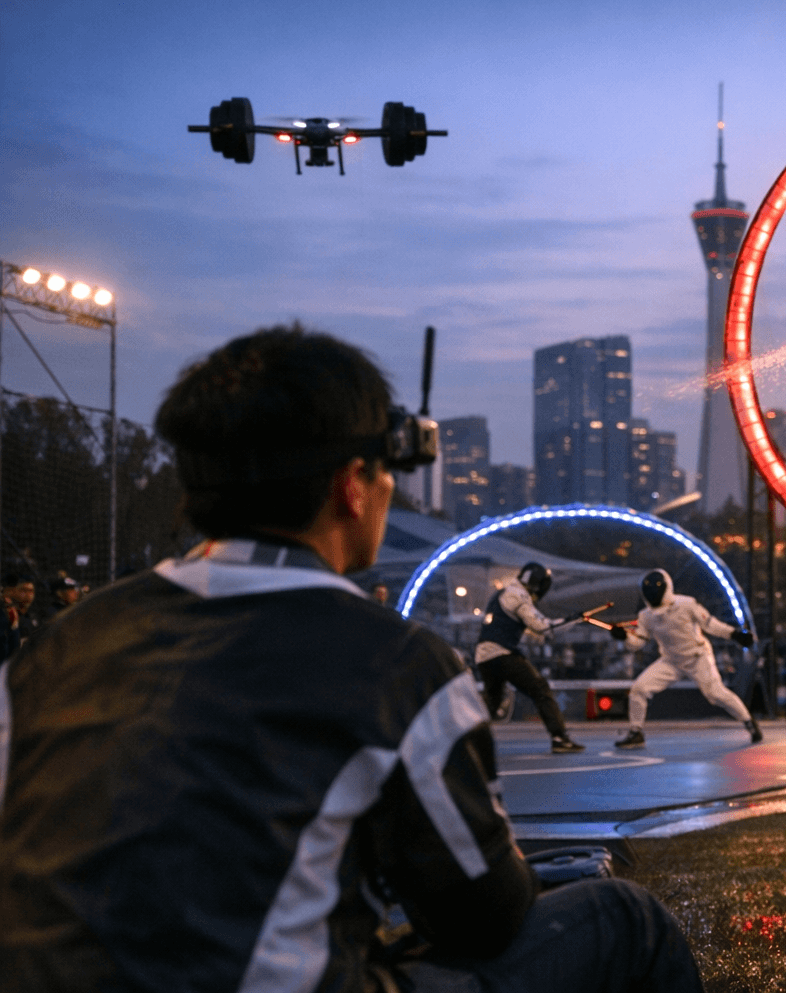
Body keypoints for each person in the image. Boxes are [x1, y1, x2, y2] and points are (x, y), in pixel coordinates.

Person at [0, 325, 703, 992]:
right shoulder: (396, 664)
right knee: (622, 920)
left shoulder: (57, 647)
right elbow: (481, 914)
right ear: (351, 483)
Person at [612, 568, 761, 748]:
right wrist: (625, 637)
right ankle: (636, 733)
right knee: (639, 689)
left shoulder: (686, 604)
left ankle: (749, 723)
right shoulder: (646, 616)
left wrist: (734, 634)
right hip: (671, 661)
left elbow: (710, 624)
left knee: (715, 694)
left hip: (697, 657)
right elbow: (638, 643)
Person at [474, 562, 585, 753]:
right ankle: (559, 737)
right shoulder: (519, 596)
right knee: (540, 688)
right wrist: (573, 620)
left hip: (483, 656)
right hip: (501, 653)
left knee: (492, 702)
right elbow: (543, 627)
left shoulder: (502, 593)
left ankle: (466, 738)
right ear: (537, 584)